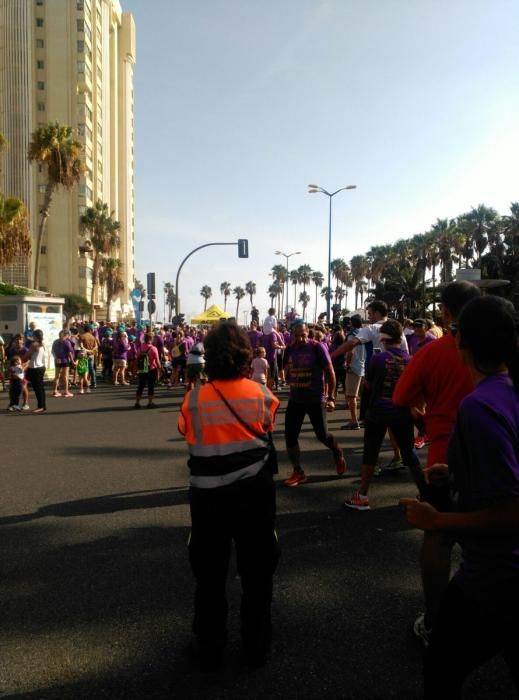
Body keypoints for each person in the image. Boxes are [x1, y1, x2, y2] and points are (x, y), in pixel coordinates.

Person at [400, 295, 519, 698]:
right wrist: (459, 473)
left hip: (495, 580)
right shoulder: (507, 392)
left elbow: (511, 512)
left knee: (440, 673)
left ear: (461, 341)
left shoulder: (478, 408)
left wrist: (437, 522)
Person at [178, 321, 280, 670]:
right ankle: (256, 647)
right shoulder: (263, 395)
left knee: (209, 574)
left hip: (208, 497)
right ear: (245, 357)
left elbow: (186, 433)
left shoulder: (192, 400)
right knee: (257, 572)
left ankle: (209, 647)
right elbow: (266, 426)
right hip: (255, 493)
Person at [393, 281, 481, 646]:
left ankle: (435, 620)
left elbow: (400, 398)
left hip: (443, 457)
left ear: (446, 312)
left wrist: (423, 417)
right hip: (499, 452)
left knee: (438, 536)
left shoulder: (432, 353)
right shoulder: (503, 350)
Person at [344, 320, 423, 510]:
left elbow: (369, 384)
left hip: (378, 412)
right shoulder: (410, 360)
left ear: (383, 339)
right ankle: (426, 493)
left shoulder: (377, 359)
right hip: (402, 412)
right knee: (409, 453)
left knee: (370, 453)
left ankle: (362, 495)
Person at [283, 320, 346, 487]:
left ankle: (337, 453)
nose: (300, 339)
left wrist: (331, 397)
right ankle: (298, 471)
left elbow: (330, 372)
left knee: (322, 436)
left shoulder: (317, 347)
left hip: (315, 400)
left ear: (308, 332)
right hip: (295, 399)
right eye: (296, 336)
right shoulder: (289, 349)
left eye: (303, 335)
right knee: (290, 436)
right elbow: (285, 369)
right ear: (291, 335)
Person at [342, 314, 366, 430]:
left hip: (354, 366)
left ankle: (354, 420)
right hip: (364, 366)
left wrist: (347, 364)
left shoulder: (352, 335)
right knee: (363, 395)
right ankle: (363, 418)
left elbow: (350, 351)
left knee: (351, 396)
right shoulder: (366, 333)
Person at [134, 332, 160, 409]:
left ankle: (137, 403)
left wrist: (135, 369)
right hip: (151, 369)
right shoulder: (154, 348)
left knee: (141, 386)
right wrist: (160, 369)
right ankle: (150, 403)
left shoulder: (140, 347)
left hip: (142, 370)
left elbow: (137, 358)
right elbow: (157, 361)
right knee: (151, 386)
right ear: (151, 339)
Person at [25, 329, 46, 413]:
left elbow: (27, 355)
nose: (32, 337)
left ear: (35, 336)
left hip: (35, 368)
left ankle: (41, 406)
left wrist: (22, 359)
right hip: (40, 367)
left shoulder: (34, 345)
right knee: (40, 388)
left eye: (33, 335)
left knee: (38, 388)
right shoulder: (42, 344)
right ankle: (42, 406)